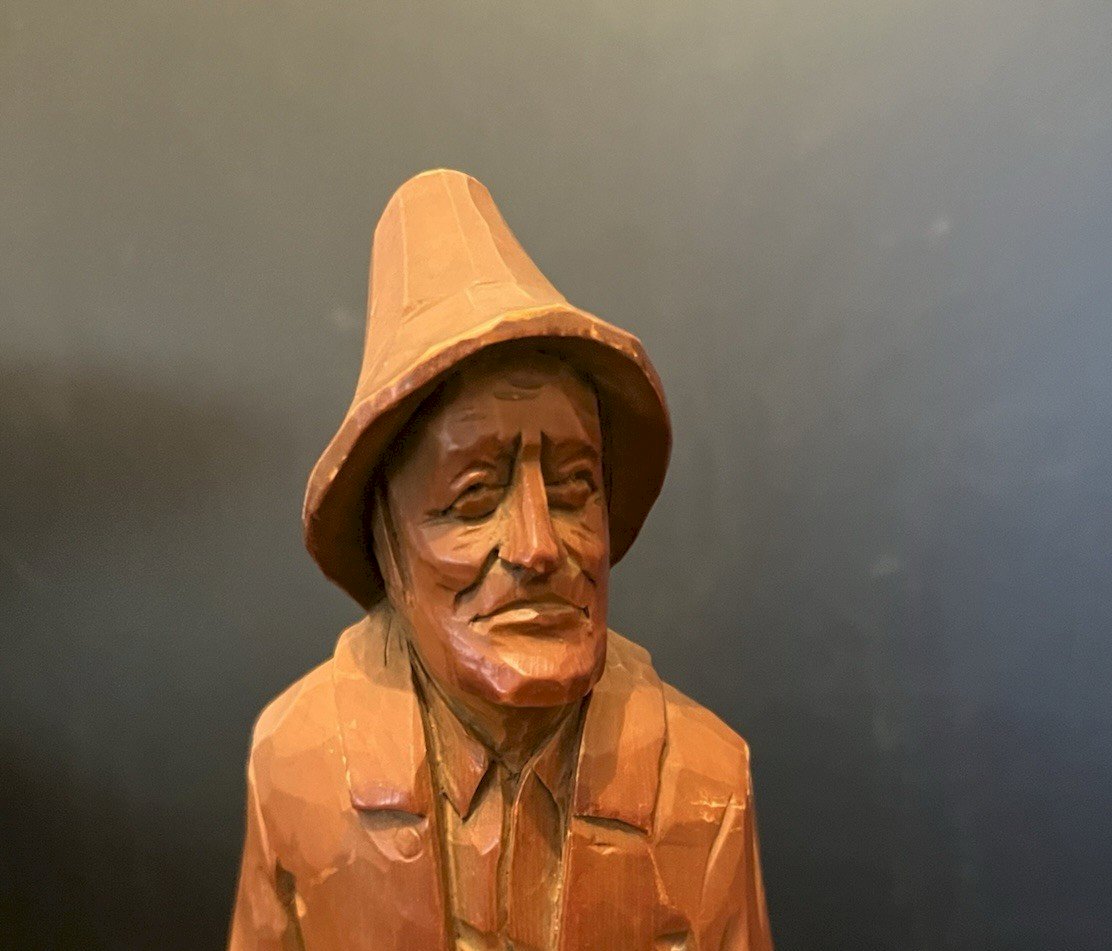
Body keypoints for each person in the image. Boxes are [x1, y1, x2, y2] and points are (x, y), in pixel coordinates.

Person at [229, 169, 772, 950]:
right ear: (387, 539)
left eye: (574, 487)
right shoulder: (299, 768)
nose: (537, 546)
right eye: (475, 497)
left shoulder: (705, 783)